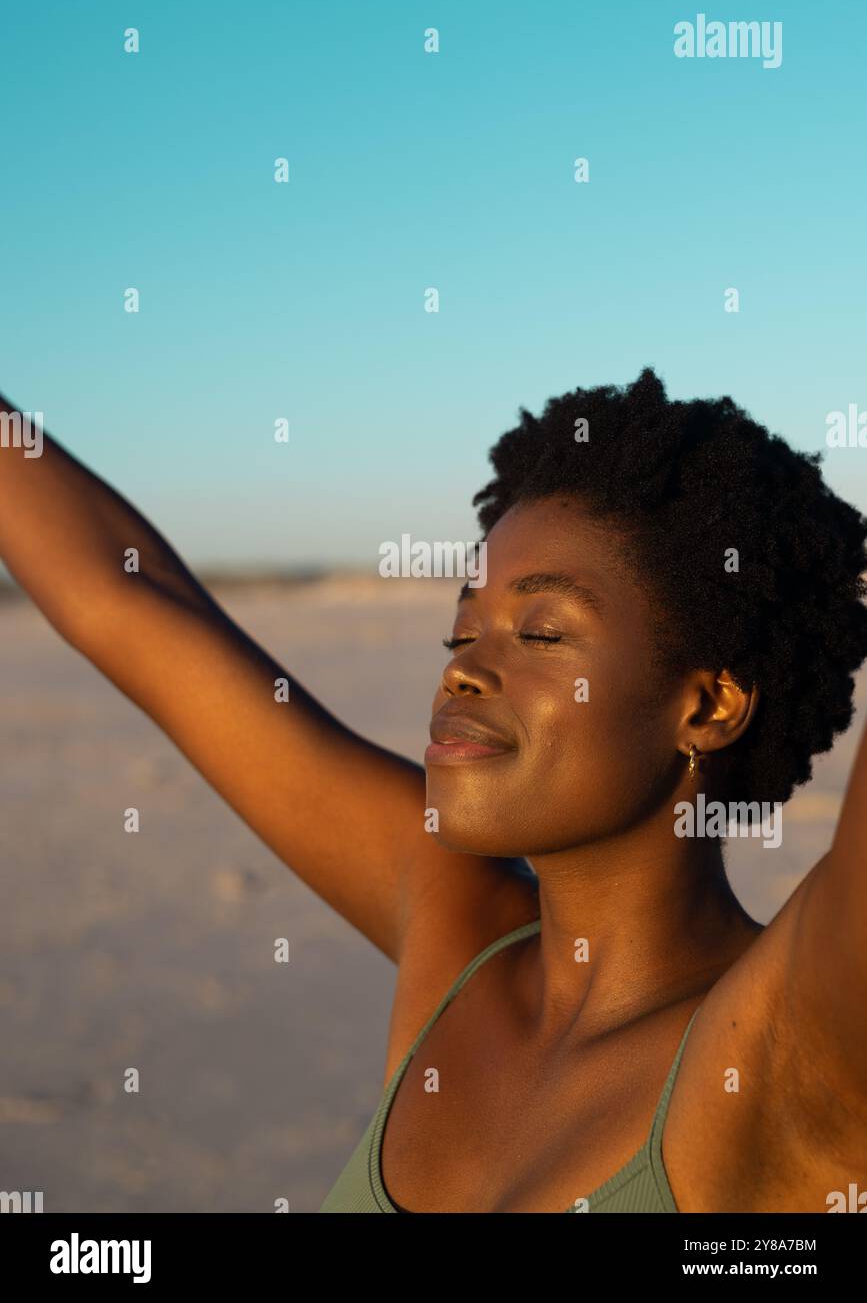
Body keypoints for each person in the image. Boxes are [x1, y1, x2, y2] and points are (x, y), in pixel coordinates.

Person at [2, 367, 867, 1213]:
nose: (463, 670)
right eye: (463, 628)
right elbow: (126, 596)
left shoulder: (787, 1043)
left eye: (540, 632)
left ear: (709, 705)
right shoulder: (455, 936)